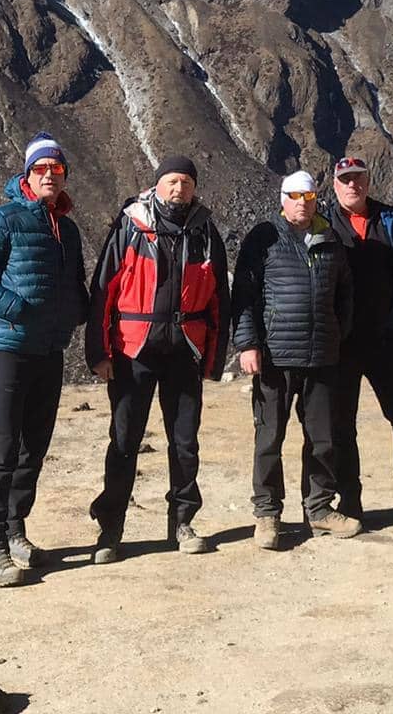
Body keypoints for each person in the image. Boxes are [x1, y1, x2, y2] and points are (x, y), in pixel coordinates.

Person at [0, 132, 89, 586]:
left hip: (49, 351)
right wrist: (14, 308)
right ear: (27, 174)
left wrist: (80, 314)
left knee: (34, 447)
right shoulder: (4, 219)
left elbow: (74, 286)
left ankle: (15, 532)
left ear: (65, 174)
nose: (49, 175)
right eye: (40, 169)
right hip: (6, 349)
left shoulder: (66, 229)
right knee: (3, 448)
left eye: (56, 169)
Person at [85, 155, 230, 564]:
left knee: (185, 443)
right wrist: (99, 352)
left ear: (195, 187)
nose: (178, 189)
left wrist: (213, 359)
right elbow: (104, 289)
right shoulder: (131, 226)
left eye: (185, 181)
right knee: (124, 442)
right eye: (171, 181)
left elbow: (220, 297)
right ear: (157, 185)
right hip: (134, 351)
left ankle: (182, 522)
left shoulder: (204, 231)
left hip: (184, 349)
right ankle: (110, 527)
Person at [232, 170, 362, 547]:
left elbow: (345, 295)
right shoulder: (264, 238)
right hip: (274, 356)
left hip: (321, 355)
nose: (301, 203)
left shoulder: (330, 239)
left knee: (322, 438)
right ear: (282, 199)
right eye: (294, 196)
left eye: (308, 197)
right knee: (269, 437)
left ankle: (319, 509)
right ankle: (268, 514)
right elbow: (244, 294)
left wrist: (337, 334)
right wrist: (248, 344)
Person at [320, 155, 393, 524]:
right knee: (340, 425)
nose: (352, 184)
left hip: (388, 339)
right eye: (345, 179)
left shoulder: (391, 221)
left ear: (368, 181)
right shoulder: (322, 223)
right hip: (340, 344)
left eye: (359, 178)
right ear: (335, 184)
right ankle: (350, 502)